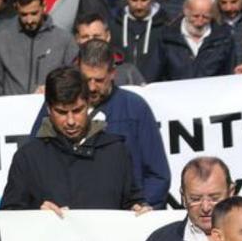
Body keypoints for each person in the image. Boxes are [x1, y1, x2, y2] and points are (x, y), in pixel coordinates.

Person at [30, 41, 171, 207]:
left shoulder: (134, 108)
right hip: (66, 218)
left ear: (112, 73)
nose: (91, 87)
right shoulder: (58, 106)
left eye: (99, 80)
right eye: (86, 78)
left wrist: (142, 207)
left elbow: (158, 175)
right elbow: (33, 163)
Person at [1, 67, 150, 213]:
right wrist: (38, 215)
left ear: (88, 105)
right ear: (48, 109)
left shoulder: (117, 151)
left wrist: (138, 208)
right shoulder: (27, 158)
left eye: (78, 110)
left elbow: (132, 201)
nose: (71, 121)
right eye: (62, 112)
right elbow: (10, 216)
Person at [0, 0, 79, 95]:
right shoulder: (3, 39)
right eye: (24, 14)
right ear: (16, 8)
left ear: (44, 7)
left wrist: (53, 89)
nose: (29, 20)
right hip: (13, 108)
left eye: (34, 13)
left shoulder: (64, 39)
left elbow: (74, 79)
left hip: (49, 106)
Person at [158, 0, 236, 80]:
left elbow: (230, 75)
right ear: (186, 10)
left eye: (205, 17)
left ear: (212, 14)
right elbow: (155, 74)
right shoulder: (166, 37)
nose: (200, 22)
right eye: (195, 16)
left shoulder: (224, 38)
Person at [111, 0, 168, 82]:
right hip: (122, 87)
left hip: (156, 87)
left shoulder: (165, 26)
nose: (139, 6)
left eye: (144, 0)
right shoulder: (114, 24)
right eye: (134, 0)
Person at [73, 12, 147, 85]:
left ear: (108, 36)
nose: (91, 41)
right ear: (77, 39)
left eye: (97, 36)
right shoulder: (70, 73)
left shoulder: (128, 72)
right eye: (85, 37)